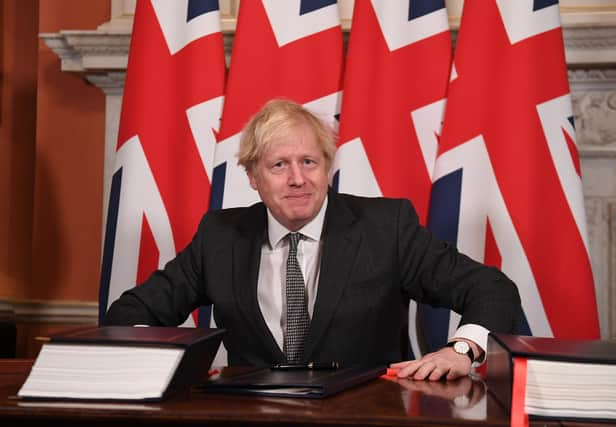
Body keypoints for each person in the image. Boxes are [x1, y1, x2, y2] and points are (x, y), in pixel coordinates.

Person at [105, 99, 520, 381]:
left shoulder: (385, 226)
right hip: (250, 420)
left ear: (327, 168)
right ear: (253, 177)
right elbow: (128, 313)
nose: (298, 179)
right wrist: (181, 366)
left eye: (309, 162)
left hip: (366, 418)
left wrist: (463, 350)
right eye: (279, 165)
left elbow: (492, 289)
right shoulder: (221, 236)